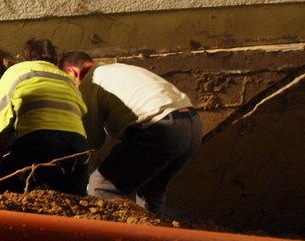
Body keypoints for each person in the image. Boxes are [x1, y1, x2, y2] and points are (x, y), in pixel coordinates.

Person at [59, 51, 202, 214]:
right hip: (192, 125)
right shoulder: (118, 70)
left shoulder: (90, 83)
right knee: (151, 191)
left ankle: (111, 237)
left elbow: (92, 142)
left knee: (101, 186)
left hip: (161, 130)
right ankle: (153, 236)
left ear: (72, 72)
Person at [0, 38, 90, 194]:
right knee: (73, 207)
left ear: (27, 57)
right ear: (56, 59)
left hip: (39, 143)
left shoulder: (18, 71)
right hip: (78, 149)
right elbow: (80, 113)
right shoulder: (68, 80)